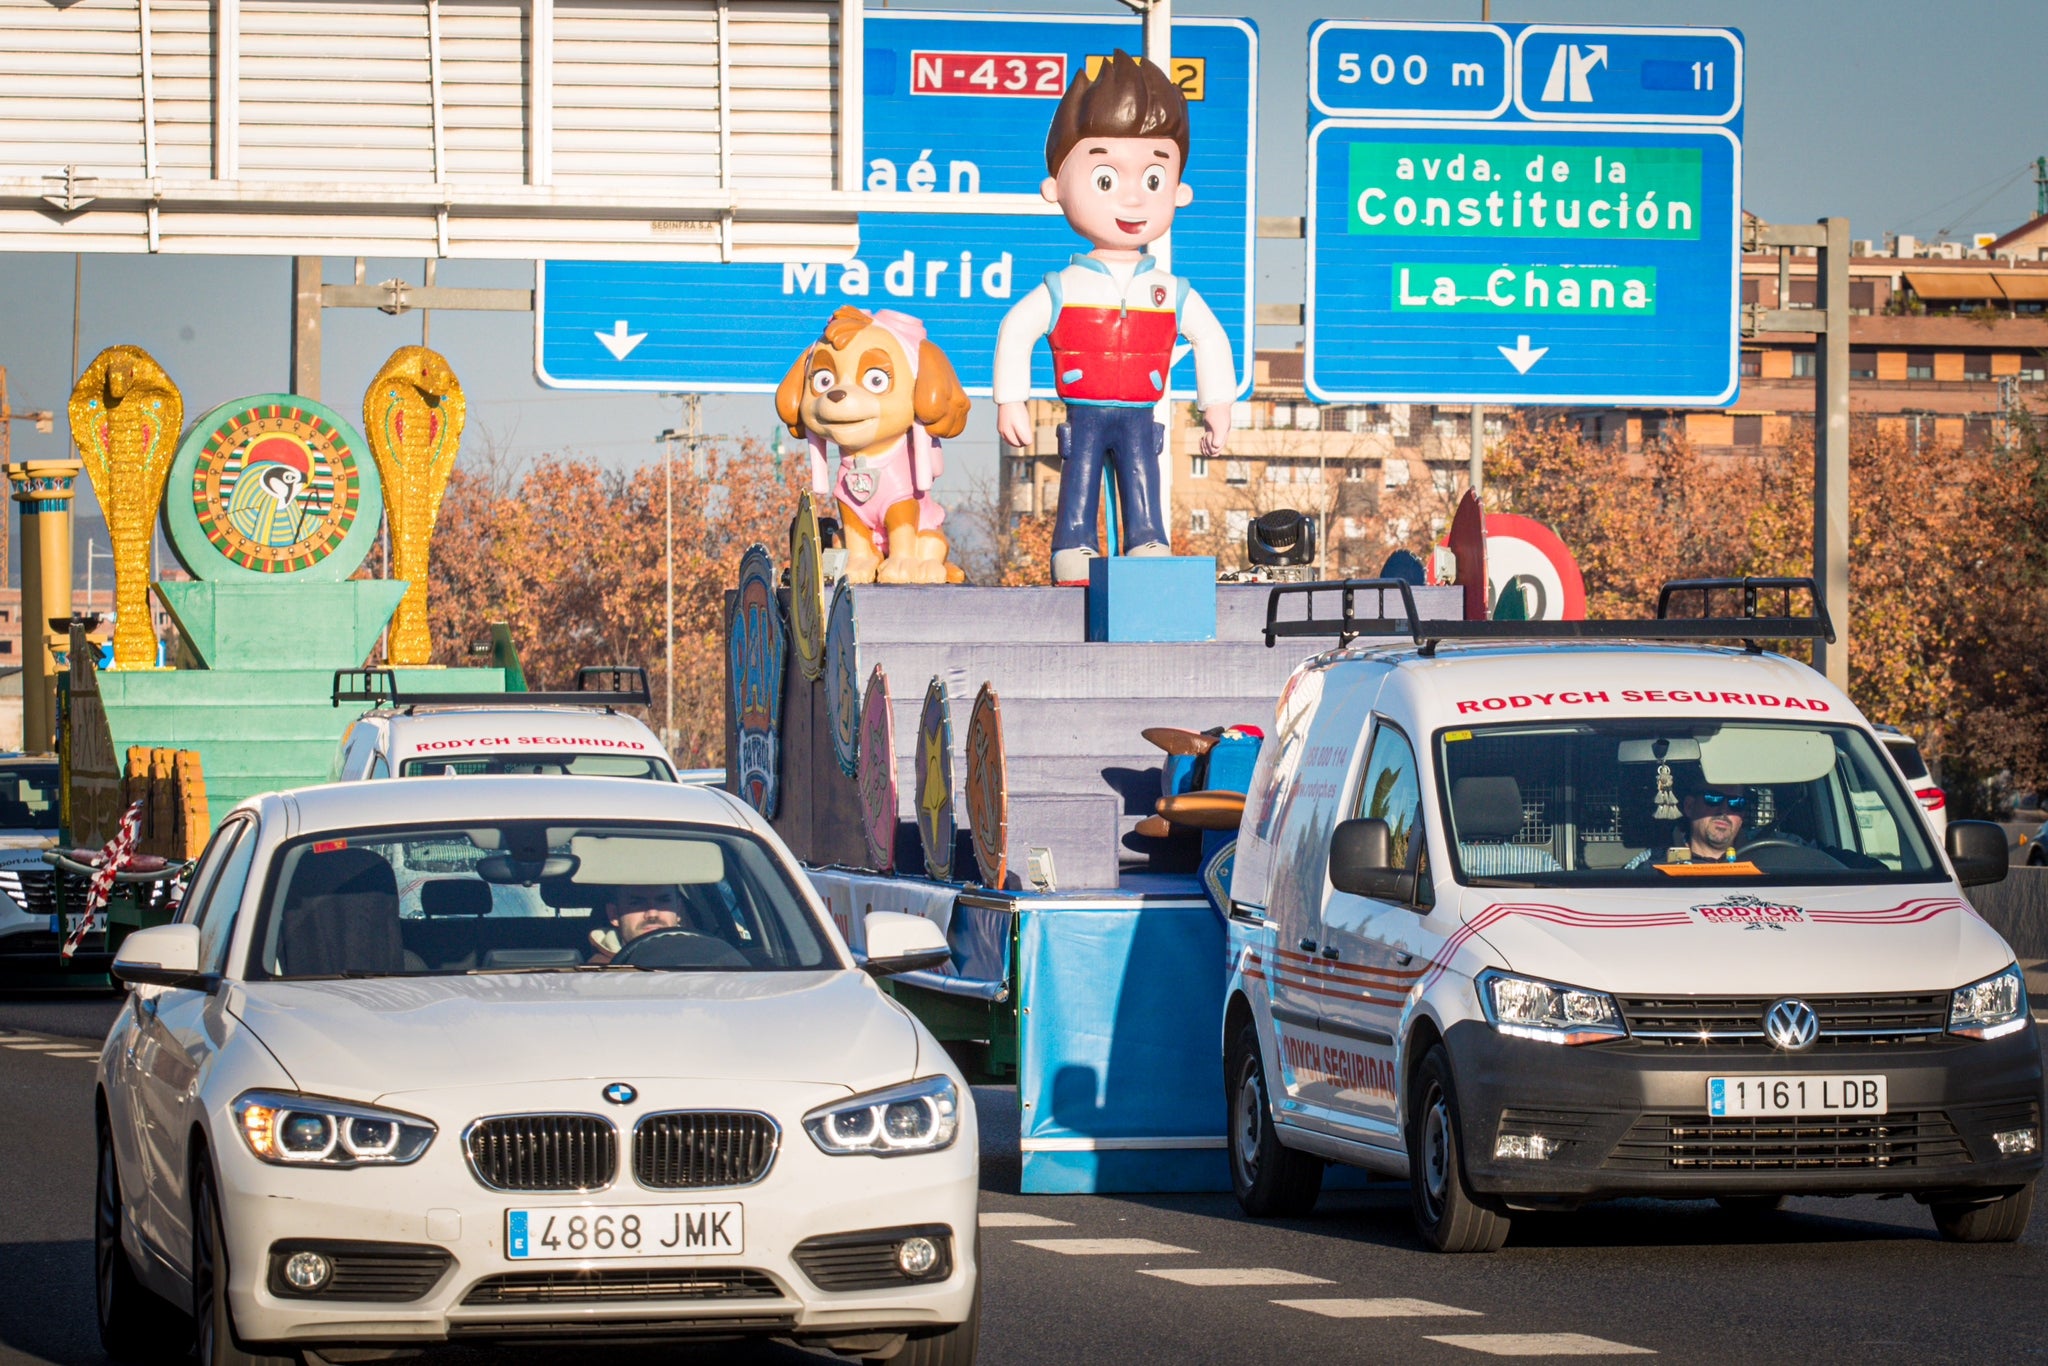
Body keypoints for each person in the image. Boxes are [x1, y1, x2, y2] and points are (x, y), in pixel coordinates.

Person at [993, 51, 1236, 586]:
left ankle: (1148, 540)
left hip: (1138, 409)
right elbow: (1016, 329)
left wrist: (1216, 404)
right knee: (1077, 477)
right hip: (1083, 405)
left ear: (1179, 191)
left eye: (1153, 178)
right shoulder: (1064, 286)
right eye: (1105, 178)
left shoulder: (1170, 290)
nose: (1131, 196)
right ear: (1056, 187)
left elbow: (1211, 340)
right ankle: (1074, 543)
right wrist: (1009, 398)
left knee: (1142, 475)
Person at [1626, 781, 1751, 868]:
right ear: (1689, 807)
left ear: (1743, 815)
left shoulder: (1764, 860)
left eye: (1736, 802)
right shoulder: (1653, 861)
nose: (1724, 810)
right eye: (1713, 798)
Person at [587, 884, 685, 964]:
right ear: (614, 914)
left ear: (678, 911)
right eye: (636, 903)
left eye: (663, 901)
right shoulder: (595, 976)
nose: (652, 914)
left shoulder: (699, 959)